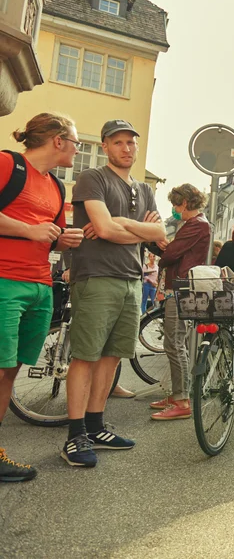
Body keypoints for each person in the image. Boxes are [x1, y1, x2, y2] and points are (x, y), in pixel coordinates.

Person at [62, 119, 165, 467]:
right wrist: (139, 229)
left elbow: (160, 233)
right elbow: (104, 228)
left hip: (132, 278)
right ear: (105, 146)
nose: (126, 148)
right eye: (118, 142)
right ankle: (75, 436)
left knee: (111, 356)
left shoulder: (146, 189)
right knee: (86, 355)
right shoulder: (94, 178)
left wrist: (123, 226)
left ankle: (95, 425)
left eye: (131, 143)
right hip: (97, 275)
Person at [0, 113, 84, 481]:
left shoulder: (56, 185)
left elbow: (47, 233)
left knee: (10, 372)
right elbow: (30, 229)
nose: (79, 148)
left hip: (39, 285)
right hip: (4, 281)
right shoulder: (7, 164)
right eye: (76, 141)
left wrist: (62, 238)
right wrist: (29, 229)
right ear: (57, 140)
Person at [148, 184, 210, 421]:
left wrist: (157, 243)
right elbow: (173, 252)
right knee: (174, 342)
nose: (174, 209)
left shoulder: (196, 225)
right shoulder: (194, 224)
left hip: (181, 288)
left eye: (175, 204)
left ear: (184, 202)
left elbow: (171, 254)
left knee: (174, 343)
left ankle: (182, 400)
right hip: (180, 287)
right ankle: (176, 395)